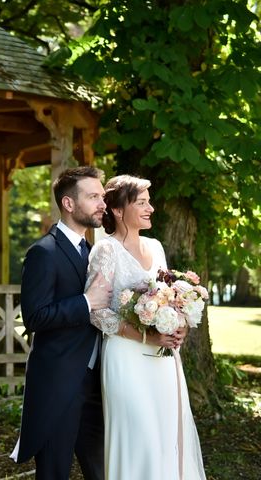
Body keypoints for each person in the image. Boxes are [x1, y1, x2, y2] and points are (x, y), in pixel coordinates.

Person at [86, 174, 206, 480]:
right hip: (126, 357)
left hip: (164, 360)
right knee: (139, 435)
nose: (150, 208)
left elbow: (170, 296)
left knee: (166, 433)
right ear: (117, 210)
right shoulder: (105, 251)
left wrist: (180, 324)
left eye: (148, 201)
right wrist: (145, 335)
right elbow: (96, 312)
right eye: (141, 202)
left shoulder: (156, 246)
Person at [11, 166, 111, 480]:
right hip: (59, 383)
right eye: (93, 197)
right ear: (69, 204)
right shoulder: (43, 252)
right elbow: (35, 317)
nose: (102, 204)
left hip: (99, 382)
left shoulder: (94, 253)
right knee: (54, 472)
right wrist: (85, 302)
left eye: (103, 197)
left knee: (101, 470)